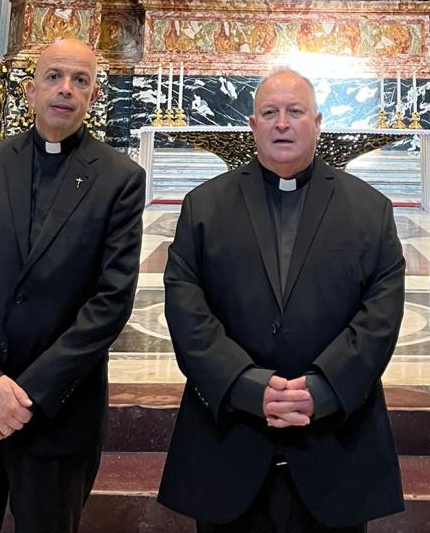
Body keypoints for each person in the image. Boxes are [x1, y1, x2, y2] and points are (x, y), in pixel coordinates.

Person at [158, 69, 405, 533]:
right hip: (229, 439)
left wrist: (323, 390)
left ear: (317, 121)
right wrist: (246, 386)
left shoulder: (370, 209)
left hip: (336, 443)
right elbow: (187, 311)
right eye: (270, 113)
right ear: (252, 125)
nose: (282, 123)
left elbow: (381, 316)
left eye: (295, 112)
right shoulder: (203, 206)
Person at [0, 38, 146, 533]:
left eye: (80, 80)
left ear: (94, 95)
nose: (65, 89)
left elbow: (110, 302)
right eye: (54, 76)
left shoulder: (120, 178)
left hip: (57, 412)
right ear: (29, 89)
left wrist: (28, 394)